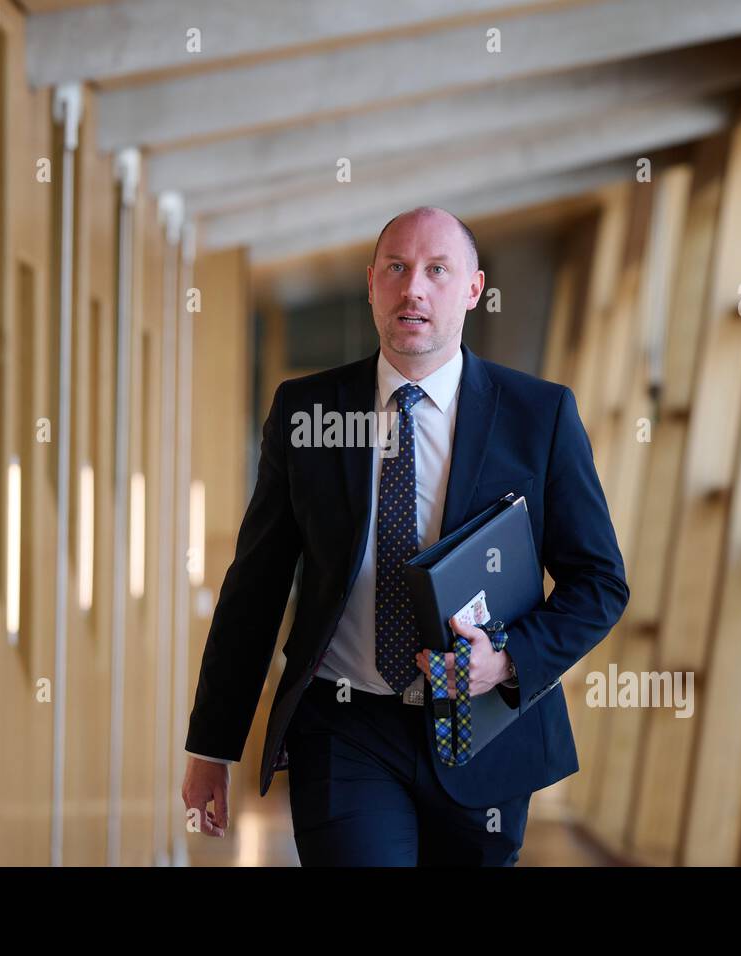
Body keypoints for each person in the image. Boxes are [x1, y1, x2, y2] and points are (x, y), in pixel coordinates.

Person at [180, 206, 629, 865]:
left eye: (437, 271)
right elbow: (256, 586)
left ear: (473, 289)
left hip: (484, 732)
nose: (413, 287)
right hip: (345, 725)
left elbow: (599, 583)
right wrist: (212, 744)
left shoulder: (540, 416)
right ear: (371, 284)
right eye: (397, 268)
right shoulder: (308, 412)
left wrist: (506, 660)